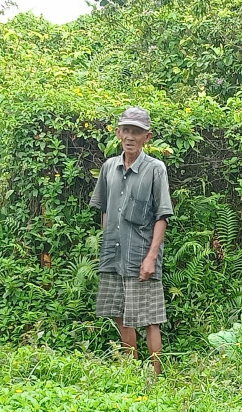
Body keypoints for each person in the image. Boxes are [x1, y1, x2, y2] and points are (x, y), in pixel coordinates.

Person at [90, 107, 174, 374]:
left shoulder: (155, 169)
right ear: (118, 133)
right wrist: (106, 244)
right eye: (126, 130)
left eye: (136, 132)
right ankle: (130, 373)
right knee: (120, 314)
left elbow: (162, 216)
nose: (130, 136)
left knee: (151, 319)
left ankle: (157, 377)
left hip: (141, 257)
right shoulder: (108, 168)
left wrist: (151, 258)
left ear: (146, 137)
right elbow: (105, 210)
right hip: (113, 254)